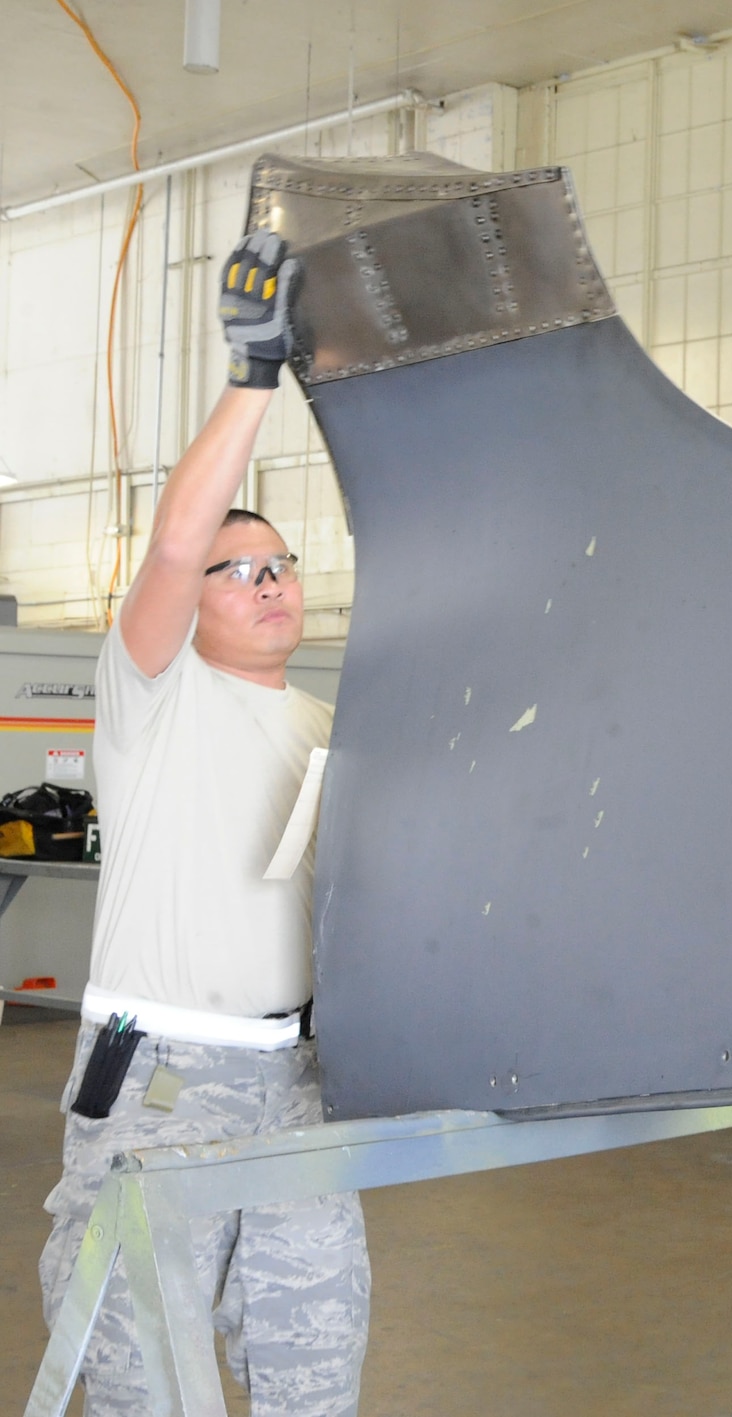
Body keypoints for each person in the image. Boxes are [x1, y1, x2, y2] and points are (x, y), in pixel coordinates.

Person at [37, 229, 370, 1416]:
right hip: (163, 1081)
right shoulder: (154, 696)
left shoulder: (331, 719)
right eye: (243, 570)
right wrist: (252, 381)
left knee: (311, 1368)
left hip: (303, 1080)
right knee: (147, 1373)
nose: (271, 580)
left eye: (282, 562)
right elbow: (175, 546)